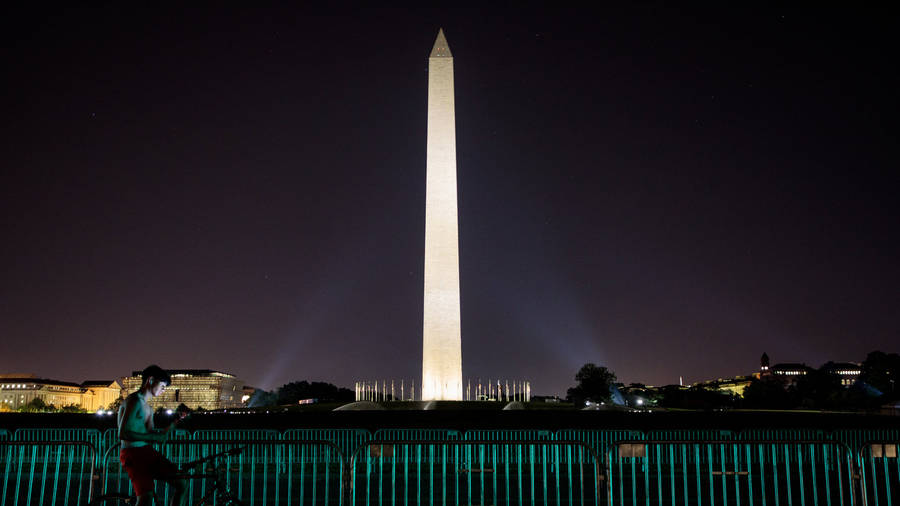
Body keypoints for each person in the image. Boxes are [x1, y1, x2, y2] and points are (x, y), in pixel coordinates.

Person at [117, 365, 187, 506]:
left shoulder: (148, 407)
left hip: (147, 453)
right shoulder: (134, 401)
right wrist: (155, 437)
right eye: (162, 385)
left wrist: (173, 424)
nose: (163, 390)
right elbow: (123, 433)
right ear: (150, 380)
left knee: (182, 482)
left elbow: (151, 434)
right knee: (145, 497)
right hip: (133, 455)